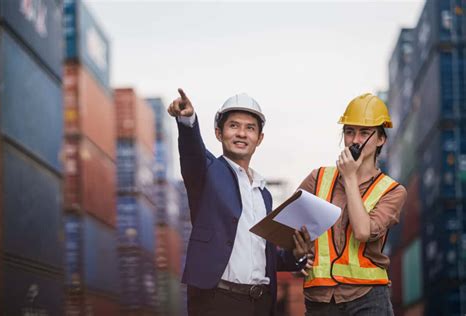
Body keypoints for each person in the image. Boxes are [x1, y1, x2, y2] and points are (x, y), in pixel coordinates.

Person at [167, 88, 311, 316]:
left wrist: (297, 255)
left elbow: (264, 254)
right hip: (217, 301)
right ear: (218, 133)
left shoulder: (263, 193)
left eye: (250, 128)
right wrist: (187, 120)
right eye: (234, 126)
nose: (242, 133)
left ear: (259, 138)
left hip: (261, 303)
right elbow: (192, 151)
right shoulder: (206, 173)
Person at [299, 93, 407, 316]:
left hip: (367, 297)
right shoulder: (317, 179)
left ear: (380, 139)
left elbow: (362, 232)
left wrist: (349, 177)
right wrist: (297, 253)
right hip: (320, 298)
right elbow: (285, 226)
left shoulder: (392, 191)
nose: (355, 140)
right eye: (349, 132)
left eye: (364, 132)